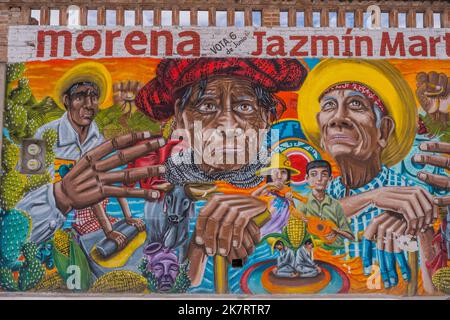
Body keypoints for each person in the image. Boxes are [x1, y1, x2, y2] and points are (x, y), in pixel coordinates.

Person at [16, 58, 308, 290]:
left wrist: (268, 208)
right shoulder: (148, 180)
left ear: (267, 119)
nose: (226, 124)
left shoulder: (278, 181)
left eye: (244, 106)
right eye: (207, 106)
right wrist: (60, 197)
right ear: (180, 116)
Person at [298, 59, 439, 291]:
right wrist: (372, 197)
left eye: (356, 104)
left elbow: (435, 290)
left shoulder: (410, 195)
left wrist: (418, 228)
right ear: (323, 133)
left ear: (383, 131)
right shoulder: (320, 194)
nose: (337, 118)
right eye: (328, 106)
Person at [17, 62, 144, 247]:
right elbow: (23, 192)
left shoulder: (98, 141)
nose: (88, 104)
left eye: (93, 97)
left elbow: (107, 184)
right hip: (40, 230)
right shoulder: (39, 137)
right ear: (67, 101)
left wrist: (127, 218)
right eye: (80, 97)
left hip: (82, 226)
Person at [296, 160, 354, 253]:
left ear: (330, 178)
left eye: (324, 174)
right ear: (307, 178)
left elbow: (350, 236)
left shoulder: (335, 205)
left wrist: (336, 231)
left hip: (336, 253)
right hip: (313, 255)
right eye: (314, 174)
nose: (319, 179)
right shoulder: (303, 204)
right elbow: (297, 234)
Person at [252, 152, 300, 236]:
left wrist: (291, 201)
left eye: (283, 172)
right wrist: (267, 185)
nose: (279, 176)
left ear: (288, 175)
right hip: (263, 234)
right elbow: (252, 198)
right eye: (275, 172)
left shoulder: (288, 195)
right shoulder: (266, 192)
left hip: (281, 236)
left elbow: (295, 216)